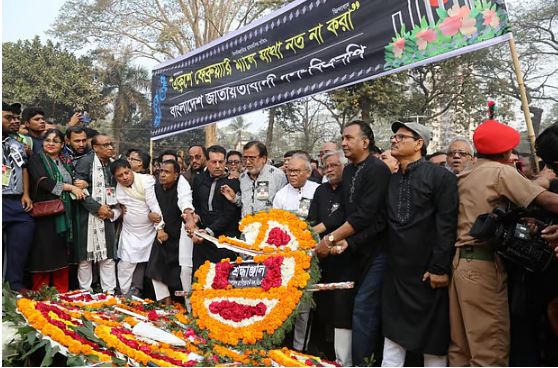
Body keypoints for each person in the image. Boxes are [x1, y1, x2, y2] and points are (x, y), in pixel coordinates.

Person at [448, 117, 558, 366]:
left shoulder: (468, 172)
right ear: (506, 151)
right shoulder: (500, 172)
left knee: (462, 350)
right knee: (490, 350)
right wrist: (546, 181)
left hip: (460, 264)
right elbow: (548, 201)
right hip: (484, 266)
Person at [314, 120, 391, 366]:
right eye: (342, 138)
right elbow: (345, 212)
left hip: (378, 252)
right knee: (351, 310)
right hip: (355, 249)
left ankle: (363, 364)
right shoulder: (349, 171)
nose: (343, 143)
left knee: (363, 310)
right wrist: (307, 232)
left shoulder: (377, 169)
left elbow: (365, 216)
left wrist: (332, 238)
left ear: (365, 142)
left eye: (348, 138)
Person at [382, 122, 458, 366]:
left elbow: (446, 225)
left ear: (419, 144)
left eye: (401, 137)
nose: (394, 140)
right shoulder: (391, 180)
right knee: (392, 338)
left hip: (428, 274)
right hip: (397, 274)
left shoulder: (441, 177)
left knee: (433, 342)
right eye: (394, 136)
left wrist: (439, 268)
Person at [308, 150, 354, 366]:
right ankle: (322, 354)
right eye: (326, 166)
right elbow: (313, 219)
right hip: (321, 258)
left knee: (342, 309)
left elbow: (347, 218)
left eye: (334, 165)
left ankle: (343, 360)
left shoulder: (350, 189)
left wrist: (326, 235)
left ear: (344, 166)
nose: (329, 170)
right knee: (322, 307)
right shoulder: (321, 190)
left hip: (345, 256)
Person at [27, 129, 86, 292]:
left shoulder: (66, 161)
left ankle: (61, 294)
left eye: (55, 141)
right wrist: (70, 188)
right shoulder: (36, 160)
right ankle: (41, 295)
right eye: (47, 140)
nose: (51, 144)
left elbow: (74, 180)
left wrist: (80, 185)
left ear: (62, 144)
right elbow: (45, 182)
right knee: (43, 253)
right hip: (45, 214)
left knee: (62, 253)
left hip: (66, 214)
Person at [74, 134, 120, 294]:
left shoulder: (113, 164)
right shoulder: (86, 162)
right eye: (105, 145)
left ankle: (110, 293)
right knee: (85, 257)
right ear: (95, 147)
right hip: (87, 215)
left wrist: (113, 211)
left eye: (111, 144)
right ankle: (84, 293)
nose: (110, 148)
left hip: (108, 214)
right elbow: (78, 189)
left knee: (108, 256)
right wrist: (97, 208)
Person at [111, 159, 163, 297]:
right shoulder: (118, 187)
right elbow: (118, 206)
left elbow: (154, 205)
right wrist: (118, 211)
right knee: (125, 264)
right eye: (120, 176)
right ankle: (124, 293)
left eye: (127, 173)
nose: (125, 177)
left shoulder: (146, 181)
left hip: (148, 231)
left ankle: (143, 293)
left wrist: (160, 228)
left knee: (148, 264)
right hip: (129, 232)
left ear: (131, 169)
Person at [188, 145, 240, 273]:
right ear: (207, 161)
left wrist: (209, 231)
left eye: (221, 162)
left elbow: (230, 213)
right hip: (202, 237)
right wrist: (196, 218)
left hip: (225, 239)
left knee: (223, 279)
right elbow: (196, 204)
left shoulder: (233, 182)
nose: (217, 166)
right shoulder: (199, 179)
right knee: (200, 277)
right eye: (213, 162)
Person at [2, 102, 34, 292]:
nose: (13, 121)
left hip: (17, 203)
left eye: (15, 118)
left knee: (20, 244)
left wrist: (27, 194)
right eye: (8, 118)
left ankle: (14, 286)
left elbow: (24, 169)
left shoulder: (15, 144)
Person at [145, 160, 185, 304]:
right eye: (160, 171)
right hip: (161, 234)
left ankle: (180, 302)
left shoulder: (181, 190)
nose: (162, 175)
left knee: (177, 273)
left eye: (167, 172)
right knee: (154, 268)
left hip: (179, 237)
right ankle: (165, 300)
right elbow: (150, 209)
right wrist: (150, 216)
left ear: (176, 175)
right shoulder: (154, 189)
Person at [223, 141, 287, 217]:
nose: (247, 162)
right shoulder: (243, 177)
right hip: (246, 225)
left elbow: (284, 204)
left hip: (269, 225)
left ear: (264, 158)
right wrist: (234, 198)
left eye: (252, 158)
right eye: (245, 158)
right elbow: (244, 204)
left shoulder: (277, 175)